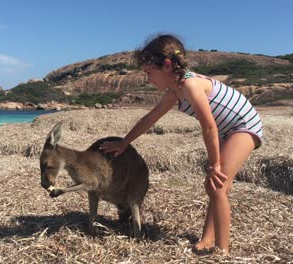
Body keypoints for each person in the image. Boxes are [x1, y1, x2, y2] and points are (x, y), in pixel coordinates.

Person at [100, 34, 263, 255]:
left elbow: (209, 127)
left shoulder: (191, 84)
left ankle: (222, 251)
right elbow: (149, 119)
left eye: (149, 72)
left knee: (216, 185)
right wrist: (123, 143)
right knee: (216, 187)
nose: (148, 79)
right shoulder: (174, 92)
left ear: (166, 65)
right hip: (227, 129)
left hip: (244, 125)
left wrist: (214, 164)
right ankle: (208, 238)